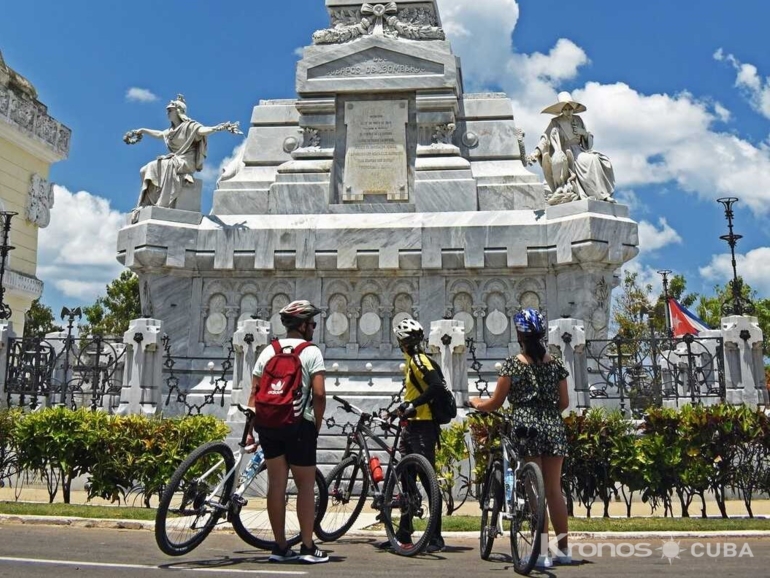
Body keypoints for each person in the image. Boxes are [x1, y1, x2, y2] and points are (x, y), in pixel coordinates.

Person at [468, 308, 570, 568]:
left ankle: (542, 553)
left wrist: (477, 403)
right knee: (554, 490)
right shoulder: (556, 363)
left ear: (519, 335)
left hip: (526, 428)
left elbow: (496, 402)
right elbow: (565, 402)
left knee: (535, 492)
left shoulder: (514, 364)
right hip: (553, 427)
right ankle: (564, 550)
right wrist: (547, 415)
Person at [247, 300, 328, 564]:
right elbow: (319, 393)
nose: (314, 327)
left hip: (268, 424)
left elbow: (254, 394)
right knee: (305, 485)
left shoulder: (268, 351)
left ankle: (280, 547)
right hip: (298, 424)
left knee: (276, 485)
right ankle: (306, 546)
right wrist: (316, 423)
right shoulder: (311, 352)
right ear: (303, 325)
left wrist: (250, 431)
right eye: (312, 323)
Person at [381, 318, 445, 553]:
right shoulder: (412, 362)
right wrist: (398, 410)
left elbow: (436, 386)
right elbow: (412, 392)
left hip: (423, 427)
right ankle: (403, 534)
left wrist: (414, 405)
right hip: (412, 426)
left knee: (427, 482)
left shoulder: (419, 360)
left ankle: (436, 537)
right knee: (407, 481)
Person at [126, 94, 240, 211]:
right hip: (175, 159)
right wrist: (143, 130)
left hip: (186, 161)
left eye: (170, 110)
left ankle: (162, 203)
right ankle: (147, 203)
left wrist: (218, 128)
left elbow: (202, 131)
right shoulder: (170, 131)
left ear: (178, 111)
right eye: (167, 110)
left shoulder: (190, 126)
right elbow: (160, 134)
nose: (167, 113)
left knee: (168, 165)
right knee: (146, 169)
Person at [527, 91, 615, 204]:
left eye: (570, 109)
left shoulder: (578, 119)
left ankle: (602, 195)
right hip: (566, 152)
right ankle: (598, 195)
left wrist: (582, 132)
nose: (568, 112)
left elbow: (588, 141)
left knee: (598, 159)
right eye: (565, 109)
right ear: (561, 110)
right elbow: (545, 139)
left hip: (580, 150)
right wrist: (535, 153)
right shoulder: (555, 122)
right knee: (590, 161)